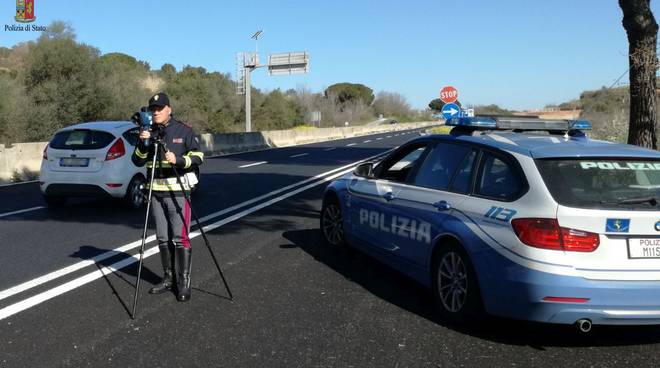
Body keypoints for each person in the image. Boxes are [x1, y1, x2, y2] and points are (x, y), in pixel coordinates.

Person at [132, 92, 204, 302]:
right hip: (156, 193)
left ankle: (183, 283)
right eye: (152, 109)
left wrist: (180, 160)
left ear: (169, 109)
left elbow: (199, 156)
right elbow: (137, 160)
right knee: (162, 238)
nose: (155, 112)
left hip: (179, 192)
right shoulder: (148, 131)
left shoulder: (183, 130)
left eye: (159, 108)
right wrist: (143, 143)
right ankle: (168, 278)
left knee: (180, 238)